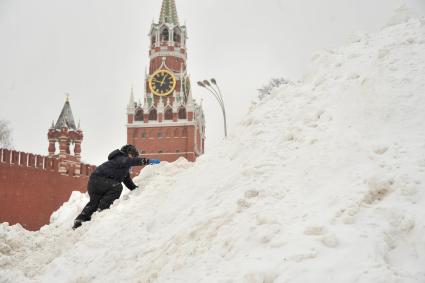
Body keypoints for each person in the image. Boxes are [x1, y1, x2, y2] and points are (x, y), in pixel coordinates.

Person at [73, 144, 160, 229]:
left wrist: (136, 189)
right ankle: (102, 210)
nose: (133, 158)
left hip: (94, 183)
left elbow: (128, 182)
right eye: (132, 156)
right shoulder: (120, 158)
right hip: (100, 181)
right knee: (117, 187)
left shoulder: (122, 167)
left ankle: (80, 220)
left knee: (94, 203)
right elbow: (130, 161)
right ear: (127, 153)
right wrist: (147, 161)